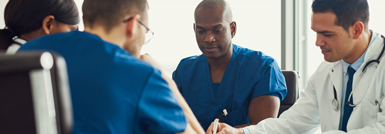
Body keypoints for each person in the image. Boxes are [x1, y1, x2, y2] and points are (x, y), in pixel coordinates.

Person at [207, 0, 385, 133]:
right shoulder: (326, 71)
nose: (317, 42)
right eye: (316, 32)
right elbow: (291, 123)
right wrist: (241, 132)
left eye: (326, 34)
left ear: (356, 30)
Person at [18, 0, 203, 133]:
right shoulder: (142, 74)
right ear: (132, 24)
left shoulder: (30, 50)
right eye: (146, 30)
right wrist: (166, 80)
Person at [172, 0, 287, 130]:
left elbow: (263, 129)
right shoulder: (185, 70)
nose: (208, 38)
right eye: (201, 31)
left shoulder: (263, 68)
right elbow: (170, 120)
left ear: (232, 29)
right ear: (194, 29)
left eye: (217, 30)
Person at [0, 0, 79, 54]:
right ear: (48, 25)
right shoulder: (34, 63)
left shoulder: (9, 53)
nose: (74, 37)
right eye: (72, 31)